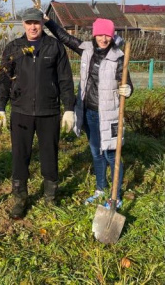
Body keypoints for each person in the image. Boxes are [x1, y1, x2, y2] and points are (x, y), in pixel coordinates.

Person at [0, 8, 75, 219]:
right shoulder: (14, 47)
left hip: (48, 111)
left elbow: (65, 79)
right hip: (21, 111)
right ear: (23, 24)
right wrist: (0, 108)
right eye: (29, 23)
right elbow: (4, 79)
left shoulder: (54, 46)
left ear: (42, 23)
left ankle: (50, 197)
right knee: (20, 156)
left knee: (50, 155)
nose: (33, 27)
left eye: (36, 23)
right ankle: (20, 198)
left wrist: (69, 108)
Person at [45, 17, 133, 208]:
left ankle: (115, 196)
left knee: (112, 155)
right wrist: (47, 21)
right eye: (100, 34)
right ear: (94, 35)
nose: (103, 38)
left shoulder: (118, 57)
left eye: (107, 35)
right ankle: (101, 189)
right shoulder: (87, 50)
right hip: (90, 113)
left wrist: (128, 89)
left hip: (110, 115)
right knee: (96, 153)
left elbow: (128, 83)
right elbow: (66, 38)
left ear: (112, 36)